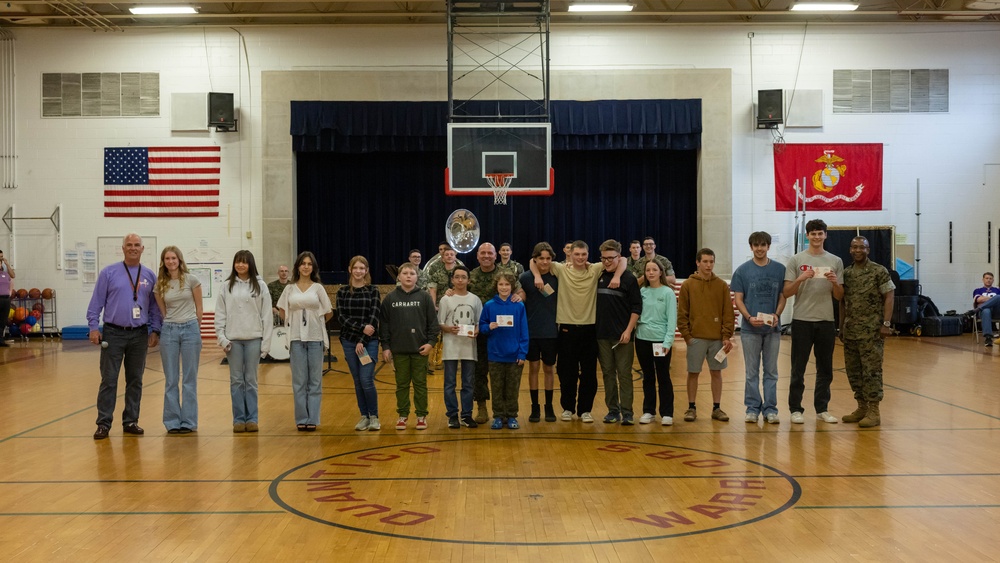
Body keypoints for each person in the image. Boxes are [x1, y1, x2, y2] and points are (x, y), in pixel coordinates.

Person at [530, 240, 624, 423]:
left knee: (589, 373)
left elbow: (623, 260)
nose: (580, 258)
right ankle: (567, 408)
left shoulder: (595, 269)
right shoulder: (561, 269)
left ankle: (585, 410)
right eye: (577, 254)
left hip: (589, 329)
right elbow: (533, 261)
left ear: (588, 256)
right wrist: (537, 277)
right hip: (566, 329)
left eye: (583, 255)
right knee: (566, 372)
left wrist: (617, 277)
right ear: (570, 255)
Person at [87, 233, 162, 440]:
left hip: (139, 335)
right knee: (109, 380)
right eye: (129, 245)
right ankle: (103, 423)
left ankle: (131, 420)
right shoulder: (108, 273)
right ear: (123, 248)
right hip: (113, 333)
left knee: (135, 380)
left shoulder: (149, 275)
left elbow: (155, 307)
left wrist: (155, 330)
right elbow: (96, 303)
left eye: (137, 245)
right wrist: (94, 327)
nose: (133, 248)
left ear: (142, 248)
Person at [783, 218, 844, 424]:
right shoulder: (796, 260)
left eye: (820, 233)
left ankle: (822, 408)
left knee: (825, 368)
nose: (817, 237)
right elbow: (787, 292)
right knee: (797, 368)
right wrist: (801, 278)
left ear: (825, 235)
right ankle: (795, 409)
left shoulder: (835, 261)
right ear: (807, 236)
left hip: (826, 321)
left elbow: (839, 296)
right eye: (813, 233)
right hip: (802, 320)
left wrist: (835, 283)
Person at [731, 232, 786, 425]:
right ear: (751, 247)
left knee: (771, 372)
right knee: (751, 372)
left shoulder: (780, 269)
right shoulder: (742, 271)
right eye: (756, 245)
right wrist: (748, 317)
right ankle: (752, 408)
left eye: (763, 245)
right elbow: (738, 299)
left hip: (772, 331)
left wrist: (777, 315)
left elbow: (782, 296)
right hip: (749, 330)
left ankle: (771, 409)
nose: (760, 248)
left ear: (769, 246)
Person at [839, 236, 895, 427]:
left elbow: (889, 296)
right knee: (854, 371)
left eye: (862, 247)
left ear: (868, 250)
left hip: (872, 331)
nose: (858, 250)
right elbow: (842, 302)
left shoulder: (878, 271)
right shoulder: (846, 273)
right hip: (851, 330)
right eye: (854, 247)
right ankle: (861, 407)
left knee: (872, 371)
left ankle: (874, 411)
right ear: (850, 250)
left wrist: (886, 323)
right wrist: (841, 326)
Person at [215, 250, 272, 433]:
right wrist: (222, 338)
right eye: (238, 262)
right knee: (236, 381)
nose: (240, 265)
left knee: (251, 380)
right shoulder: (226, 287)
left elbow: (267, 315)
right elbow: (220, 314)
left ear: (250, 264)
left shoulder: (260, 286)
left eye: (244, 262)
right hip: (233, 341)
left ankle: (252, 419)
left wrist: (266, 343)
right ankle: (239, 419)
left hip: (254, 338)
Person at [677, 248, 735, 423]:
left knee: (716, 373)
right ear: (697, 262)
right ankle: (691, 407)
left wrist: (726, 336)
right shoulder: (688, 285)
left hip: (717, 340)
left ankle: (716, 408)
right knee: (693, 373)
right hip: (696, 339)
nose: (709, 265)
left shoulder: (721, 285)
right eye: (705, 262)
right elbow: (682, 313)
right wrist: (687, 337)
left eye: (711, 261)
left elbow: (728, 313)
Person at [277, 251, 333, 431]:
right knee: (299, 381)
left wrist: (315, 322)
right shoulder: (289, 289)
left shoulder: (318, 288)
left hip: (315, 338)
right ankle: (302, 418)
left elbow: (328, 311)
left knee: (315, 381)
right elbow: (282, 310)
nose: (306, 266)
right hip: (296, 338)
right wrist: (293, 322)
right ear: (298, 266)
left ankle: (313, 419)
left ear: (313, 267)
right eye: (303, 263)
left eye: (309, 264)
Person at [467, 242, 522, 423]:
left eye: (489, 253)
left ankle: (507, 412)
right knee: (479, 371)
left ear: (495, 255)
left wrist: (518, 296)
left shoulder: (504, 274)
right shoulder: (471, 275)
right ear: (477, 255)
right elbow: (459, 290)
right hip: (478, 331)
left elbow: (520, 291)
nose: (486, 256)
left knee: (504, 376)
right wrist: (451, 291)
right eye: (482, 253)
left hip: (502, 335)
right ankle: (482, 407)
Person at [380, 262, 439, 430]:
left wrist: (430, 343)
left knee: (420, 384)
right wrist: (385, 346)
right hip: (399, 351)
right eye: (404, 273)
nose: (408, 276)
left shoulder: (425, 297)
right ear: (398, 276)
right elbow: (383, 324)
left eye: (411, 273)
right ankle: (403, 415)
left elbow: (433, 324)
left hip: (420, 350)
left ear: (416, 277)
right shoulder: (390, 298)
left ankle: (421, 415)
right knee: (402, 385)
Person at [153, 246, 203, 434]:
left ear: (180, 260)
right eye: (167, 258)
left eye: (174, 258)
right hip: (170, 331)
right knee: (171, 379)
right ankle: (172, 421)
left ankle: (189, 421)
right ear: (163, 261)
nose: (171, 261)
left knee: (189, 379)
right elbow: (162, 310)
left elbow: (199, 308)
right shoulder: (160, 284)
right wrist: (171, 323)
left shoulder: (192, 280)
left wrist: (194, 327)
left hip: (190, 328)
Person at [595, 240, 642, 426]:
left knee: (624, 374)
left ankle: (628, 412)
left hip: (623, 337)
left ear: (619, 257)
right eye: (603, 258)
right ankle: (612, 411)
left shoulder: (629, 278)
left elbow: (637, 308)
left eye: (611, 258)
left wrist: (628, 331)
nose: (607, 262)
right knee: (607, 373)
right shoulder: (598, 275)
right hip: (602, 336)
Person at [337, 256, 382, 432]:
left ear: (366, 271)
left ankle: (374, 416)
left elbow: (374, 316)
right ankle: (364, 416)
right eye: (355, 268)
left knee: (366, 379)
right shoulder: (342, 292)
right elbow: (341, 318)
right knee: (357, 381)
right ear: (350, 270)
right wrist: (361, 329)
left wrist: (362, 340)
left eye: (362, 268)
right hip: (348, 341)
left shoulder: (373, 290)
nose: (358, 271)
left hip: (368, 342)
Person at [479, 272, 529, 430]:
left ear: (512, 286)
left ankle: (512, 415)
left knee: (512, 388)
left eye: (507, 284)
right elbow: (482, 327)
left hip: (514, 356)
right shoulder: (488, 306)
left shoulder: (519, 306)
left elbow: (524, 331)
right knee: (497, 387)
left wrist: (522, 353)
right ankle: (498, 416)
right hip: (495, 355)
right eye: (501, 284)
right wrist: (488, 327)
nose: (504, 287)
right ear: (496, 286)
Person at [516, 242, 559, 423]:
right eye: (541, 258)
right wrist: (519, 295)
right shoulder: (525, 277)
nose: (545, 261)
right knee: (533, 368)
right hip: (531, 331)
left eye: (548, 258)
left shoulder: (557, 275)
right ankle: (535, 407)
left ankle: (549, 406)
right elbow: (520, 293)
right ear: (535, 259)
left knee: (549, 369)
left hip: (551, 332)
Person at [438, 265, 482, 428]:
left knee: (468, 383)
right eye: (457, 277)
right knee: (449, 383)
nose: (460, 280)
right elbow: (440, 323)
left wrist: (477, 330)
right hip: (451, 348)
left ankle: (466, 415)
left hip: (469, 348)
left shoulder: (475, 299)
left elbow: (479, 322)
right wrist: (448, 329)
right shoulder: (445, 299)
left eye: (463, 277)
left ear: (468, 280)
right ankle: (452, 415)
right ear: (452, 280)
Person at [635, 259, 677, 426]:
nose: (651, 272)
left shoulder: (668, 293)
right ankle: (648, 411)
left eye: (654, 269)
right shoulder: (642, 291)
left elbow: (672, 320)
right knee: (648, 377)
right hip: (642, 339)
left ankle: (667, 413)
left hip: (660, 341)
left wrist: (668, 342)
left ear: (661, 272)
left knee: (663, 376)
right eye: (648, 270)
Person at [970, 272, 999, 348]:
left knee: (998, 297)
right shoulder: (978, 290)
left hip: (996, 312)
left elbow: (982, 300)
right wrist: (994, 299)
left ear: (993, 280)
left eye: (990, 278)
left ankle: (976, 310)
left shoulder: (997, 290)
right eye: (986, 278)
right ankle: (988, 337)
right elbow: (978, 300)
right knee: (986, 310)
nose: (988, 280)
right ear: (983, 280)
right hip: (983, 313)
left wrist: (986, 300)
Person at [0, 249, 13, 346]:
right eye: (0, 257)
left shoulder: (5, 272)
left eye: (2, 256)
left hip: (6, 299)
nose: (2, 259)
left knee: (3, 320)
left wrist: (7, 264)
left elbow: (12, 276)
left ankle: (1, 340)